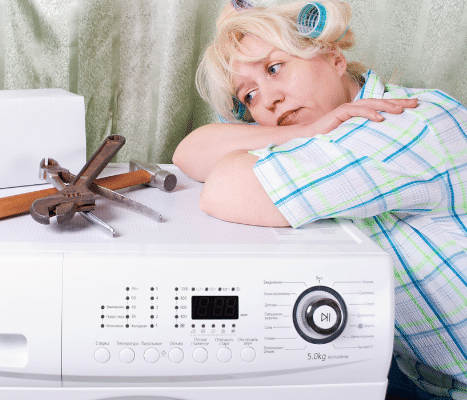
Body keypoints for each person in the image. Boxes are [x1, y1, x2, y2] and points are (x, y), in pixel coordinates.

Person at [173, 0, 467, 398]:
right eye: (250, 97)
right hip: (417, 375)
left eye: (274, 68)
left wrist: (309, 132)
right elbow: (189, 152)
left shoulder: (405, 121)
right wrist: (307, 131)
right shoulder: (325, 141)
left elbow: (224, 188)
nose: (269, 101)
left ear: (333, 56)